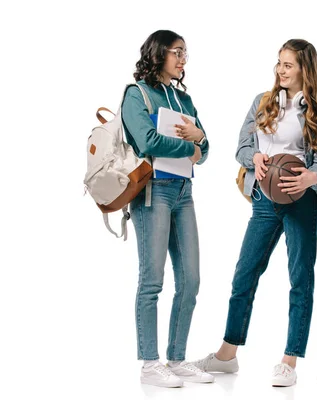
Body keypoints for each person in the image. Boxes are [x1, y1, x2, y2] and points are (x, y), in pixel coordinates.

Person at [192, 39, 317, 387]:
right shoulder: (263, 103)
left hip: (302, 201)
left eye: (288, 65)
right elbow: (241, 147)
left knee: (300, 280)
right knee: (244, 275)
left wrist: (310, 178)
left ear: (304, 69)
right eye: (278, 63)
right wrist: (253, 159)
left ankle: (289, 360)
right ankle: (227, 355)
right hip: (264, 200)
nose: (280, 70)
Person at [121, 30, 213, 388]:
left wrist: (198, 144)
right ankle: (149, 362)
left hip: (183, 192)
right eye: (177, 52)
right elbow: (147, 141)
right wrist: (189, 145)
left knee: (191, 279)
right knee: (152, 280)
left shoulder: (182, 99)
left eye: (185, 54)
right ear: (158, 54)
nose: (182, 60)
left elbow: (205, 147)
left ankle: (176, 358)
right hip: (152, 193)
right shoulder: (137, 94)